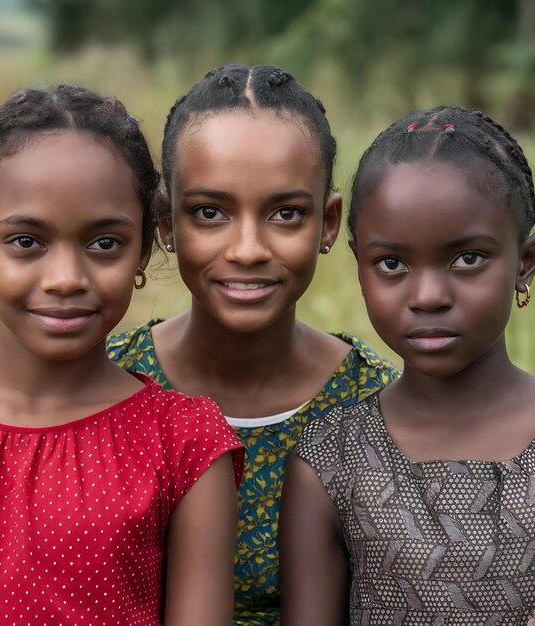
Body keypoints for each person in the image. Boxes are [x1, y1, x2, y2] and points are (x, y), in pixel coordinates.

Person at [0, 84, 243, 626]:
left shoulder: (184, 446)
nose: (66, 280)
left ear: (143, 249)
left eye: (104, 244)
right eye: (27, 241)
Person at [106, 64, 399, 625]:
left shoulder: (380, 410)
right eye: (210, 213)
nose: (246, 249)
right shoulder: (109, 391)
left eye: (285, 213)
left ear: (329, 223)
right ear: (166, 224)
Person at [280, 105, 535, 625]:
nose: (428, 296)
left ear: (525, 262)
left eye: (468, 258)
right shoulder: (331, 462)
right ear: (359, 265)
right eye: (392, 263)